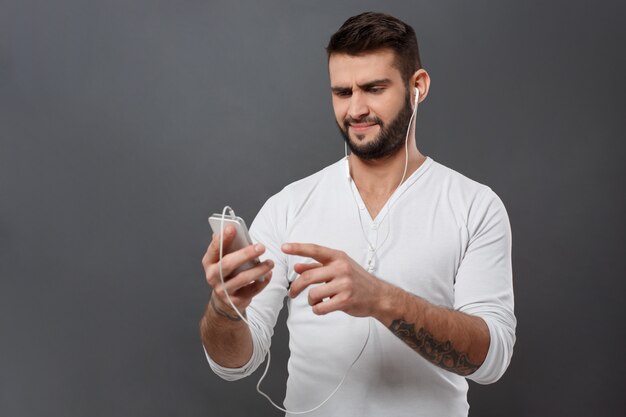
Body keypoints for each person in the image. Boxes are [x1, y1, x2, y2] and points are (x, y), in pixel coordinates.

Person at [200, 11, 515, 417]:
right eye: (343, 92)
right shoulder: (289, 206)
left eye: (374, 88)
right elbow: (235, 364)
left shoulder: (475, 206)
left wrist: (380, 298)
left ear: (417, 86)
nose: (356, 109)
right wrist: (225, 308)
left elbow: (492, 360)